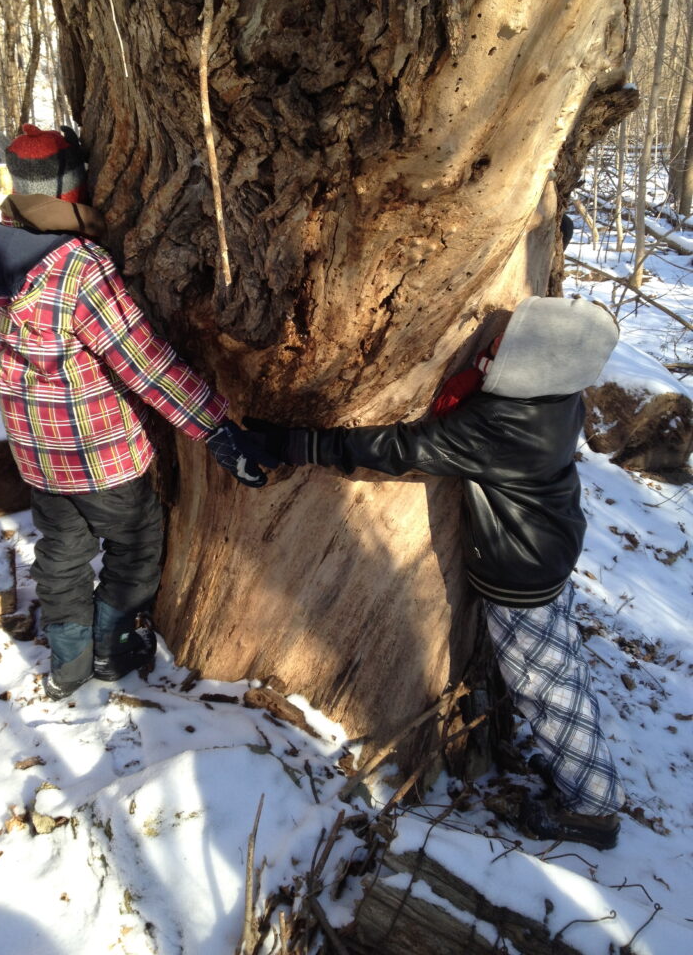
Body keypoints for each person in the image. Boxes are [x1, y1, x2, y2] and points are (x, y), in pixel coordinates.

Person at [245, 296, 625, 849]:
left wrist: (293, 441)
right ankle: (583, 776)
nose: (493, 355)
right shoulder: (560, 398)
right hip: (551, 551)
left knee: (544, 686)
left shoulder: (503, 423)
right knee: (560, 673)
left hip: (520, 577)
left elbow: (399, 448)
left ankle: (592, 809)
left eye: (508, 350)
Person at [0, 125, 272, 701]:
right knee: (135, 541)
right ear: (70, 186)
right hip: (96, 449)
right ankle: (110, 650)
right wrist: (214, 428)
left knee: (62, 550)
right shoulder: (77, 266)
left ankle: (68, 662)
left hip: (38, 449)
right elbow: (144, 363)